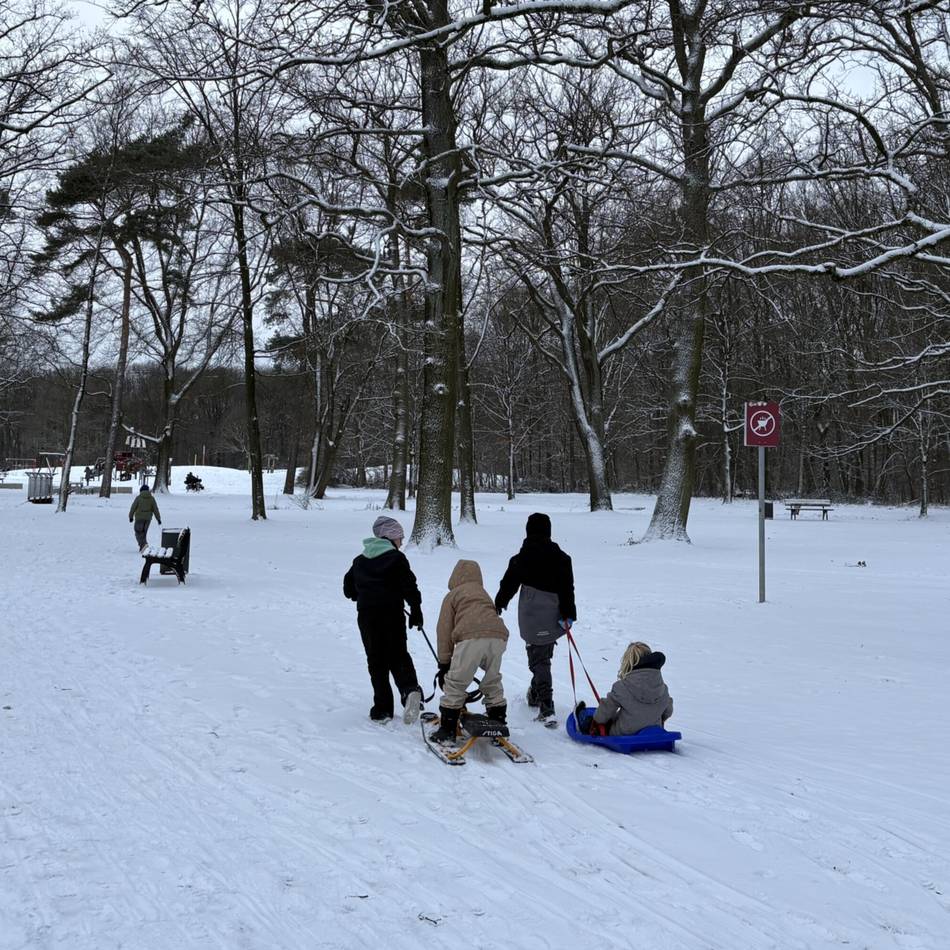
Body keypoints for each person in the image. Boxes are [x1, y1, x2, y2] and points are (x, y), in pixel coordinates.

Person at [494, 512, 575, 721]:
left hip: (531, 613)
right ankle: (536, 691)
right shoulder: (562, 559)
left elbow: (508, 583)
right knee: (542, 654)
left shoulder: (522, 558)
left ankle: (546, 703)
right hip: (553, 613)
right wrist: (568, 614)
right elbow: (567, 589)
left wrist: (499, 603)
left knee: (538, 658)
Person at [343, 516, 424, 724]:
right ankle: (409, 692)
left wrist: (362, 595)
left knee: (376, 661)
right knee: (398, 655)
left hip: (368, 617)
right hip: (391, 615)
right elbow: (409, 586)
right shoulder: (396, 559)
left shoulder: (360, 560)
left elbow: (348, 589)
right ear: (389, 537)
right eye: (400, 537)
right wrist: (415, 609)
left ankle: (382, 708)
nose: (402, 542)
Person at [429, 560, 509, 744]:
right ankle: (498, 722)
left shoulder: (453, 595)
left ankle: (448, 729)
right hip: (498, 636)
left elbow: (444, 630)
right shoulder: (483, 593)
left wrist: (444, 663)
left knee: (456, 682)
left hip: (471, 637)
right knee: (492, 679)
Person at [579, 641, 673, 737]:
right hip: (652, 732)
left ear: (628, 663)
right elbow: (668, 712)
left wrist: (596, 720)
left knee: (596, 721)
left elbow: (605, 712)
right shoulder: (663, 688)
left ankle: (583, 722)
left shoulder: (622, 687)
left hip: (624, 734)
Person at [129, 483, 161, 552]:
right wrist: (158, 519)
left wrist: (130, 517)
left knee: (138, 532)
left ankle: (143, 545)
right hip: (148, 519)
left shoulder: (138, 498)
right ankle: (143, 547)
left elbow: (133, 508)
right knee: (143, 533)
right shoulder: (152, 498)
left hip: (139, 518)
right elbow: (155, 509)